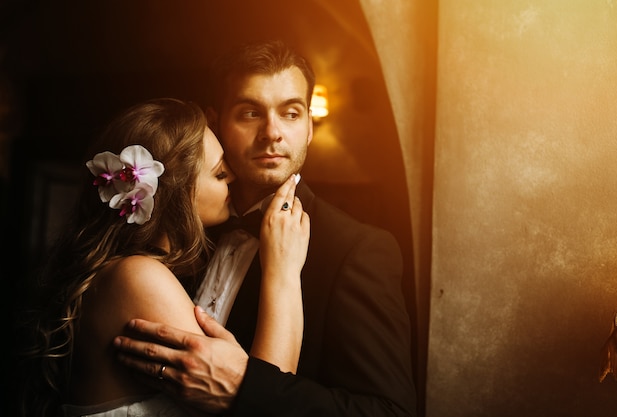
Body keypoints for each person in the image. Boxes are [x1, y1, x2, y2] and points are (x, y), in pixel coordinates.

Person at [114, 40, 417, 416]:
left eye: (290, 114)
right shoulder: (178, 228)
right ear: (215, 122)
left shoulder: (357, 250)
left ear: (308, 126)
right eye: (250, 113)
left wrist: (246, 389)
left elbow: (389, 412)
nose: (272, 132)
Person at [16, 98, 310, 417]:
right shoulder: (137, 276)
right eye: (219, 173)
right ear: (177, 192)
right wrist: (283, 272)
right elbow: (268, 405)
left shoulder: (126, 272)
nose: (233, 177)